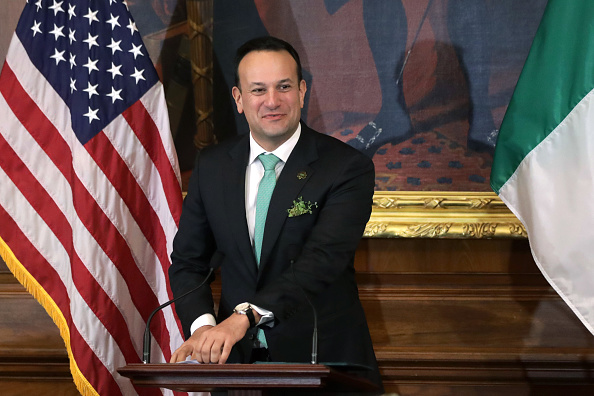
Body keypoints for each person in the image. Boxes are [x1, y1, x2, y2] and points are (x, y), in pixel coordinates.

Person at [168, 36, 383, 393]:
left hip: (324, 366)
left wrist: (244, 317)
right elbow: (189, 261)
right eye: (258, 90)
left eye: (283, 87)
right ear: (239, 99)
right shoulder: (213, 167)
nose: (272, 101)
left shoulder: (346, 168)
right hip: (235, 370)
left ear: (301, 92)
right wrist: (205, 329)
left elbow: (322, 262)